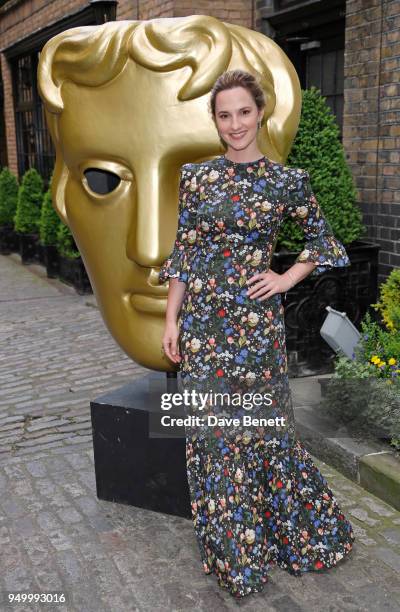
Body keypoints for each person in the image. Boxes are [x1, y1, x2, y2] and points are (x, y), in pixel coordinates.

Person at [159, 69, 354, 599]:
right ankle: (232, 556)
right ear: (215, 121)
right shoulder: (196, 178)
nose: (235, 124)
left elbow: (323, 240)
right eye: (224, 115)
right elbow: (185, 254)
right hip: (203, 329)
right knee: (214, 439)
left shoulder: (286, 182)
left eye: (244, 112)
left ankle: (288, 537)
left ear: (260, 112)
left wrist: (285, 277)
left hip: (254, 330)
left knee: (264, 433)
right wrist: (171, 319)